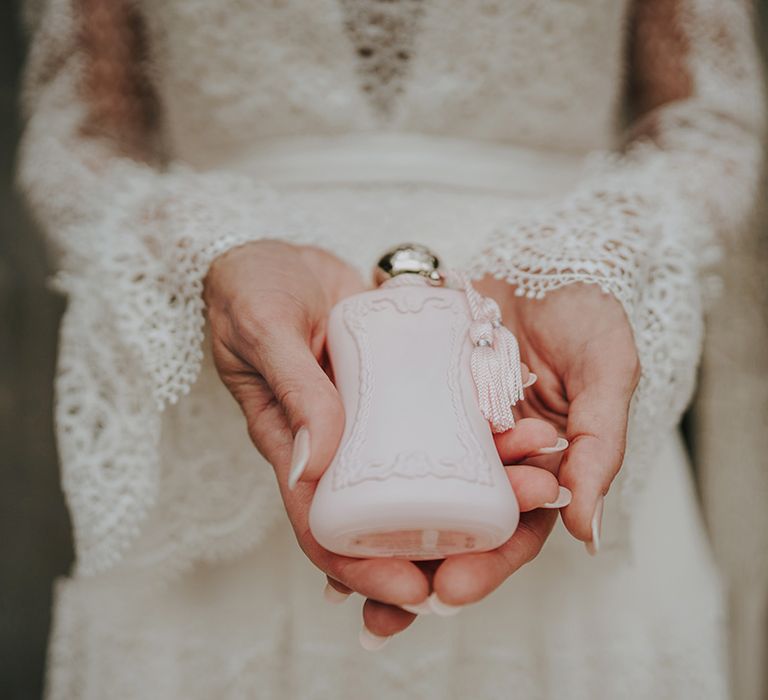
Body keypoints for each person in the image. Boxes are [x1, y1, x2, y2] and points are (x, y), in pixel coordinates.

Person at [17, 0, 764, 698]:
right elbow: (77, 141)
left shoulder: (553, 284)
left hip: (550, 371)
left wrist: (589, 258)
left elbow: (710, 126)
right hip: (239, 372)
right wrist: (205, 247)